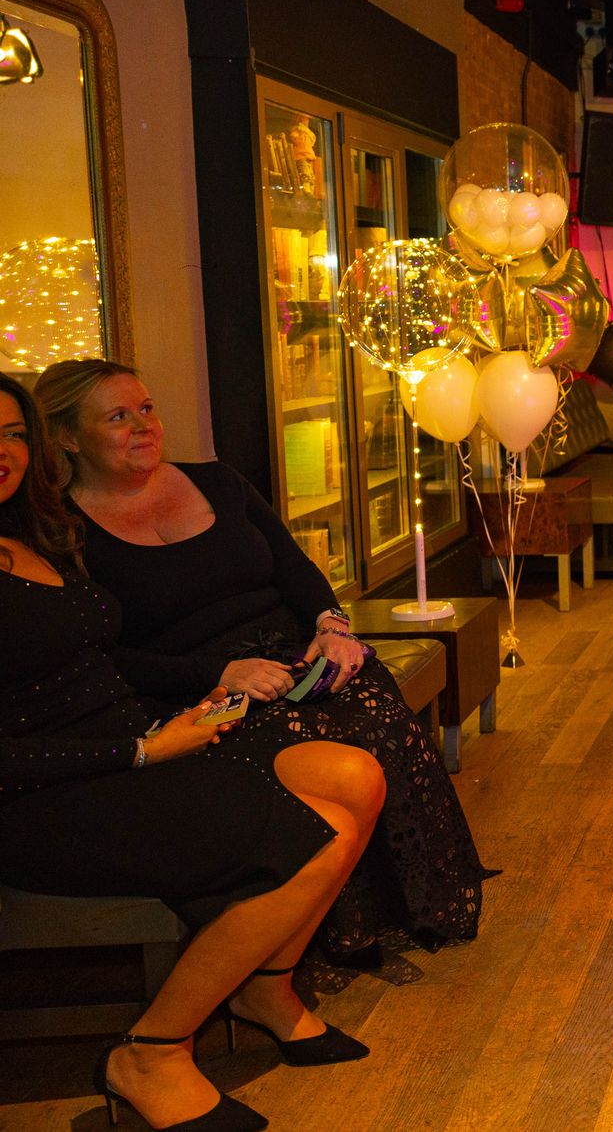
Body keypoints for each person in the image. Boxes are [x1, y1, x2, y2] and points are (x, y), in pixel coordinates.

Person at [0, 372, 385, 1132]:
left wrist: (190, 710)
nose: (2, 452)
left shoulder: (31, 529)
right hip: (47, 797)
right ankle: (150, 1051)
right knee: (310, 836)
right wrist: (141, 749)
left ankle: (266, 986)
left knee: (358, 776)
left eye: (11, 434)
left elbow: (100, 658)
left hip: (130, 746)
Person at [34, 360, 490, 958]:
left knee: (377, 715)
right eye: (118, 417)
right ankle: (326, 928)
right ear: (68, 436)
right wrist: (217, 675)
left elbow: (294, 567)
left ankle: (409, 901)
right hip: (199, 689)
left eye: (147, 409)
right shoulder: (62, 533)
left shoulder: (216, 482)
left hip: (297, 653)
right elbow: (101, 654)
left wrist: (332, 627)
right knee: (321, 747)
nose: (144, 426)